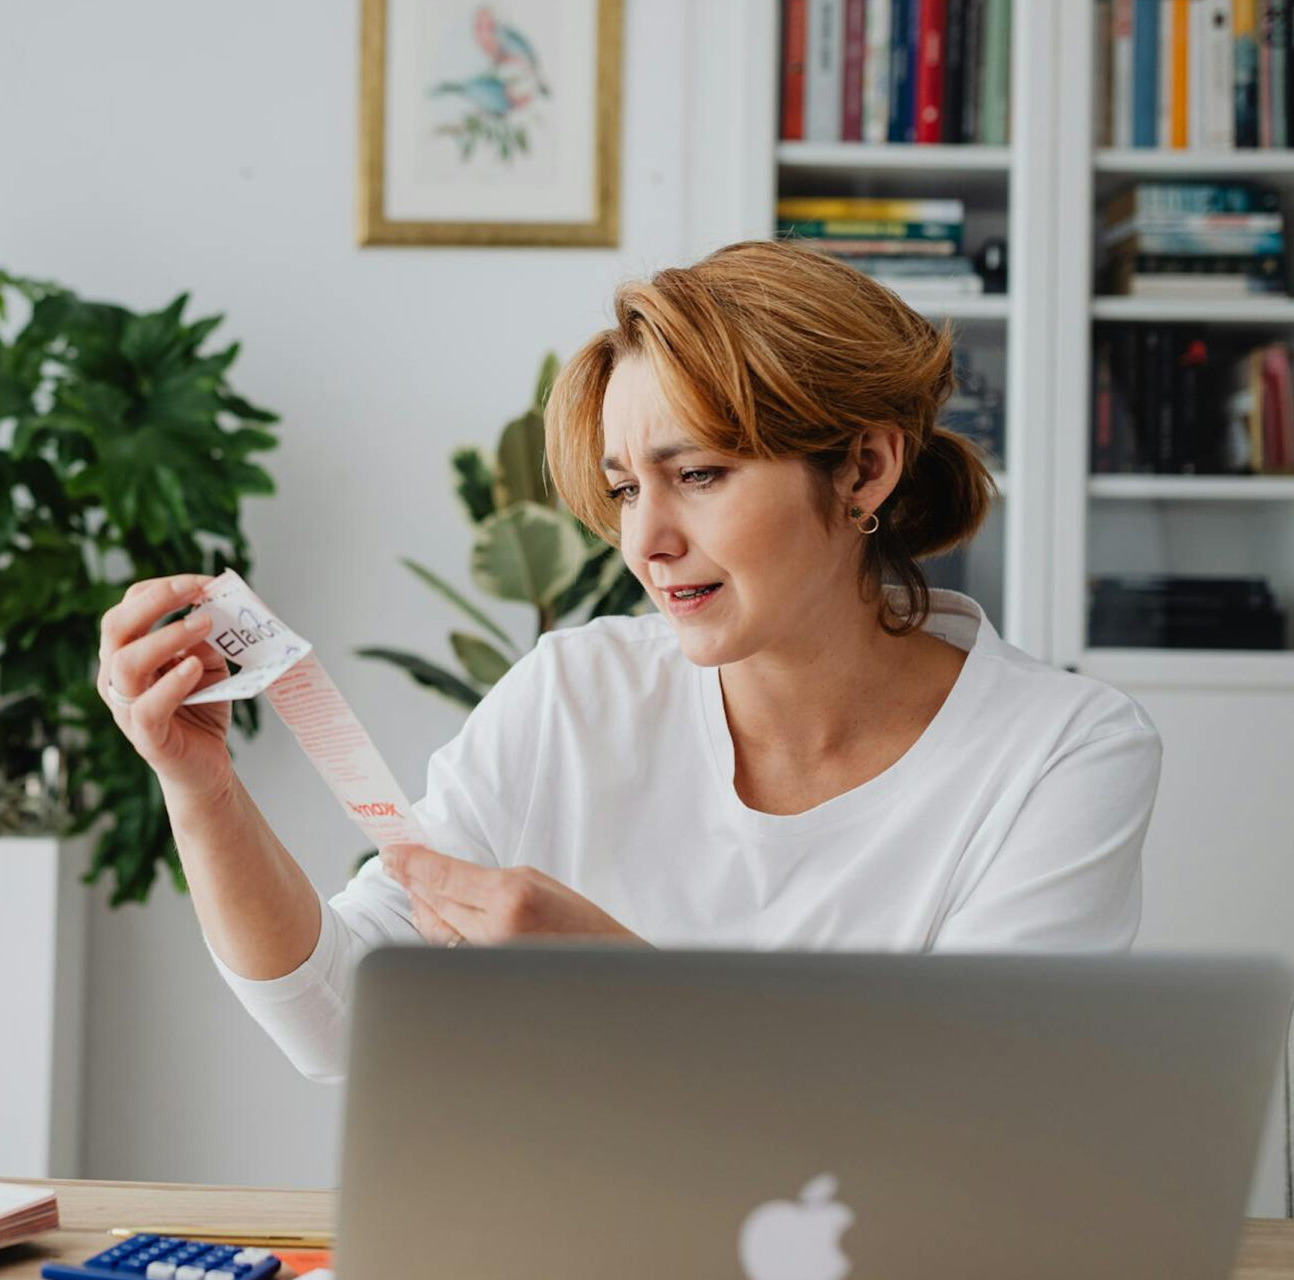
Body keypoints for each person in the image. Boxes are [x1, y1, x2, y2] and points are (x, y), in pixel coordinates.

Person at [94, 240, 1162, 1083]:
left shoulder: (1059, 750)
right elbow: (338, 1021)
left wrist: (621, 987)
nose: (642, 540)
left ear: (863, 467)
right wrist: (199, 789)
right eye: (620, 489)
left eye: (694, 472)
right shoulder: (574, 693)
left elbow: (976, 1120)